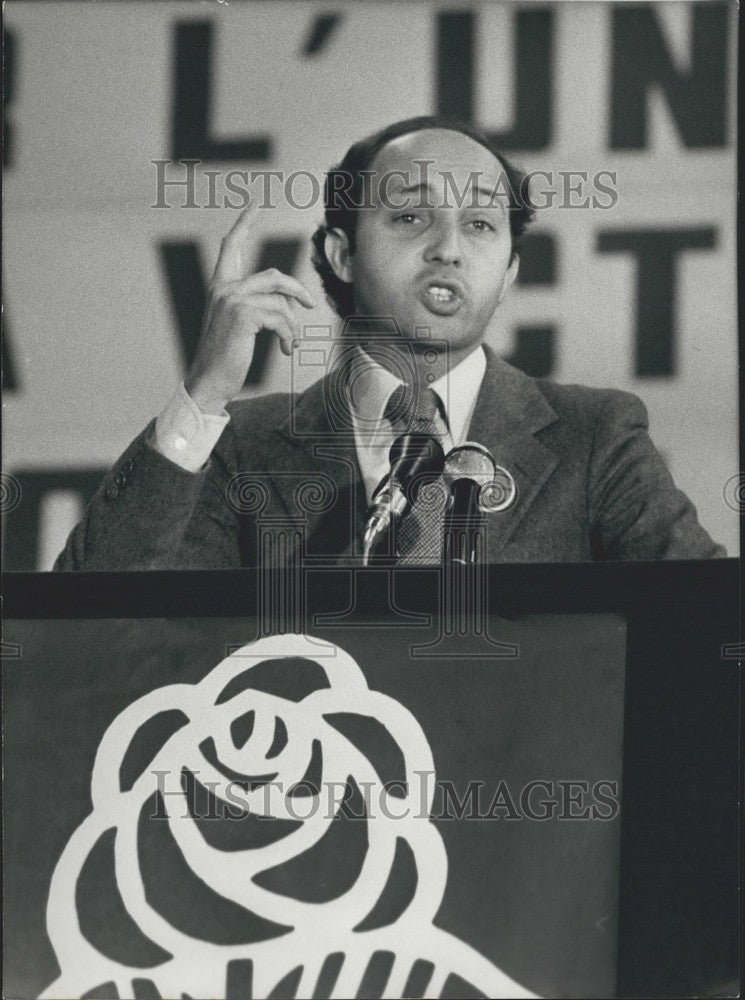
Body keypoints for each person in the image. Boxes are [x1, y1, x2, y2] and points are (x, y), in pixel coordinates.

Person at [54, 116, 724, 571]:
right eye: (409, 216)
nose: (448, 248)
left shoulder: (594, 437)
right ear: (342, 254)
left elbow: (706, 626)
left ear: (510, 272)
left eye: (481, 224)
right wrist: (203, 399)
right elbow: (93, 629)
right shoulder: (242, 448)